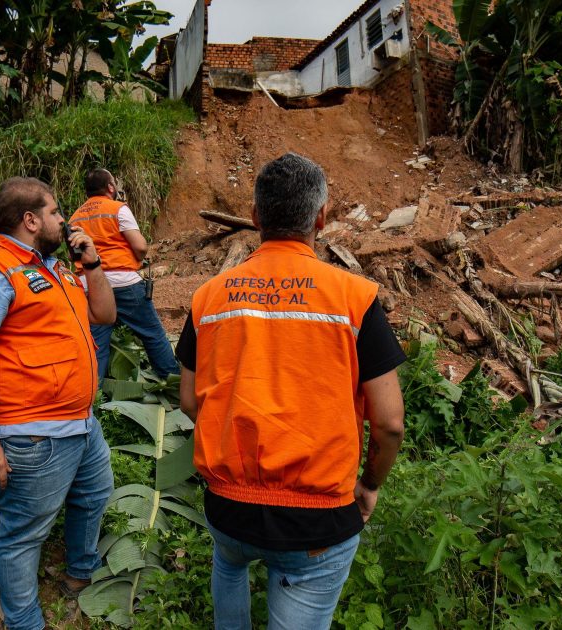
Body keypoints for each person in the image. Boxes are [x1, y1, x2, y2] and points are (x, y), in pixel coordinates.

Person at [176, 153, 407, 630]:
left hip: (228, 508)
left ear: (256, 218)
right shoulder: (354, 298)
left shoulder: (208, 297)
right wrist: (370, 486)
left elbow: (189, 400)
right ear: (320, 218)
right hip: (317, 521)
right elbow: (389, 423)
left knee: (229, 561)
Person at [0, 176, 116, 630]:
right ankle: (24, 620)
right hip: (33, 435)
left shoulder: (55, 269)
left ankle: (80, 573)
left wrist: (92, 264)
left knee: (96, 494)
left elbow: (104, 314)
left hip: (81, 423)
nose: (64, 220)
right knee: (23, 535)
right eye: (56, 212)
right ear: (30, 219)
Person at [71, 168, 179, 380]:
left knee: (97, 346)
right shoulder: (118, 208)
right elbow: (140, 246)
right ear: (110, 187)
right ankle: (172, 380)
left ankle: (95, 397)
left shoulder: (75, 217)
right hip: (124, 282)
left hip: (90, 285)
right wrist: (137, 258)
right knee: (152, 334)